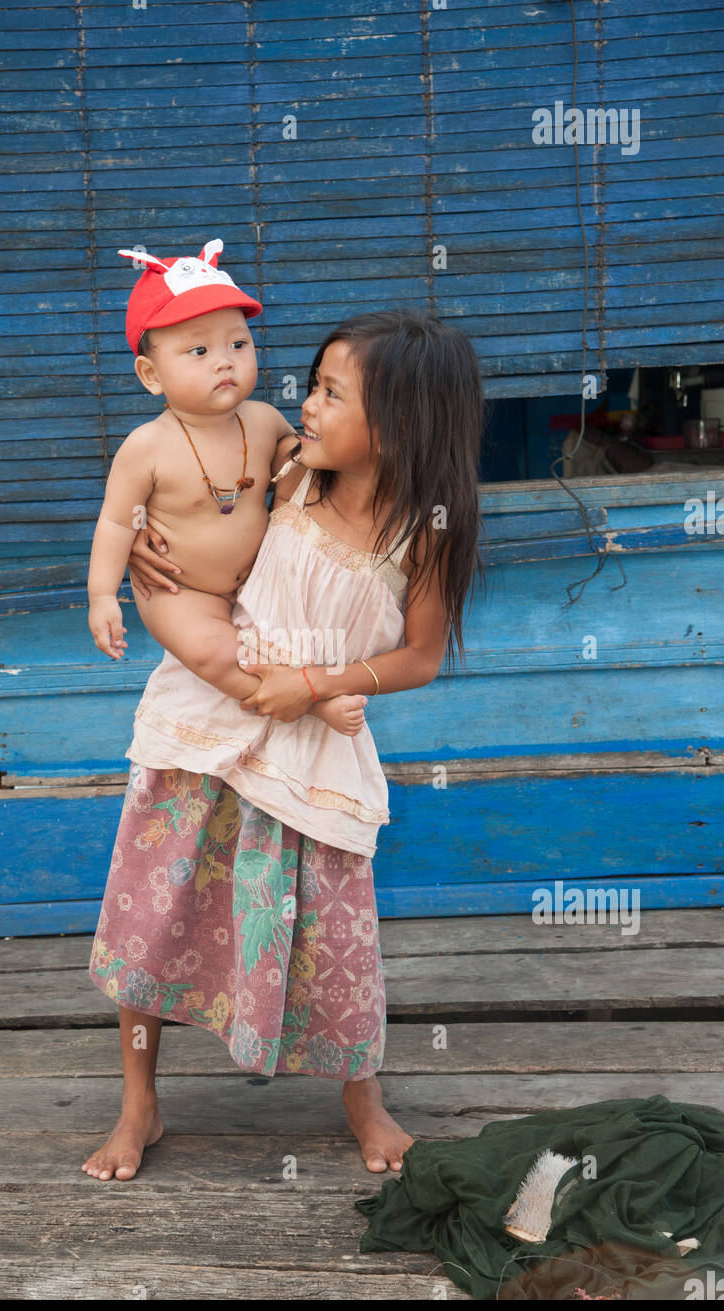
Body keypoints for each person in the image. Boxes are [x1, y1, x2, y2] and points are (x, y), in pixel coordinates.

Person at [83, 302, 485, 1181]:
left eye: (332, 395)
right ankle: (139, 1104)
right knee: (155, 919)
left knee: (335, 944)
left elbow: (417, 657)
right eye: (312, 384)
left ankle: (362, 1100)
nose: (306, 406)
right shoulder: (292, 473)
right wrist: (149, 548)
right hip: (207, 729)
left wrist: (318, 684)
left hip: (312, 744)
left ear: (402, 425)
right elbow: (190, 483)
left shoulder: (425, 535)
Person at [87, 237, 368, 736]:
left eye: (238, 344)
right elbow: (114, 521)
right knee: (214, 653)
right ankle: (308, 704)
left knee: (275, 643)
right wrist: (102, 596)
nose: (225, 361)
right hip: (179, 591)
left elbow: (302, 465)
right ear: (151, 375)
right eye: (199, 350)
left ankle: (301, 683)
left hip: (251, 586)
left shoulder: (263, 421)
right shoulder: (146, 446)